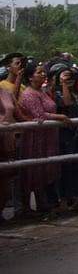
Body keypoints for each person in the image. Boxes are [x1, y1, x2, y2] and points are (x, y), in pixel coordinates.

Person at [18, 63, 67, 215]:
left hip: (48, 136)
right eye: (39, 73)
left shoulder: (42, 92)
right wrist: (60, 117)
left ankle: (42, 203)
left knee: (44, 169)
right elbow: (39, 115)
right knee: (34, 170)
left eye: (43, 72)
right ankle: (26, 207)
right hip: (35, 138)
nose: (43, 75)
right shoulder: (29, 94)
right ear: (30, 77)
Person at [51, 62, 78, 212]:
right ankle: (64, 199)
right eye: (65, 74)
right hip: (66, 134)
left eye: (71, 74)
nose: (70, 77)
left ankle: (77, 196)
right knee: (65, 166)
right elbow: (66, 103)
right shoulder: (56, 92)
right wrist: (64, 85)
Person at [1, 52, 25, 219]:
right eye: (17, 63)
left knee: (8, 178)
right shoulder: (5, 86)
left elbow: (19, 111)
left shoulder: (8, 93)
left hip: (8, 138)